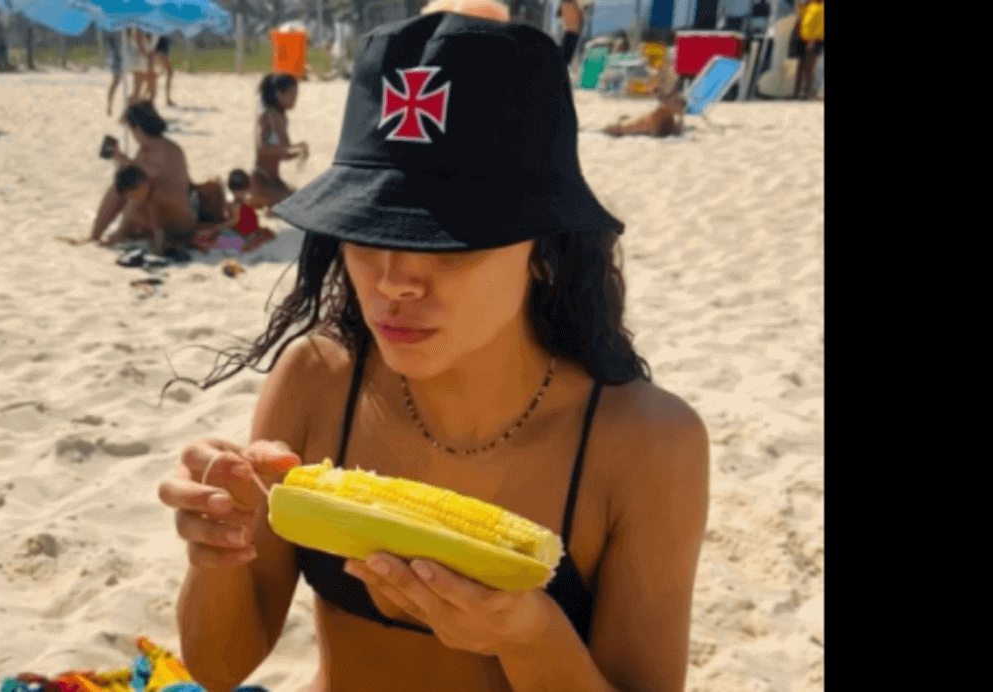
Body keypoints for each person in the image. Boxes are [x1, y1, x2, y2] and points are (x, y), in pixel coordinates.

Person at [156, 10, 709, 692]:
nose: (393, 283)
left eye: (448, 242)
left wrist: (529, 637)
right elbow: (218, 667)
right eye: (366, 233)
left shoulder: (645, 443)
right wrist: (217, 551)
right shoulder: (319, 379)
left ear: (543, 247)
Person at [87, 101, 218, 253]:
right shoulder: (166, 147)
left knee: (129, 190)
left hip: (174, 224)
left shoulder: (160, 151)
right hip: (170, 217)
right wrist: (121, 159)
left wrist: (120, 156)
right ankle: (99, 236)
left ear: (137, 129)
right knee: (129, 188)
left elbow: (140, 178)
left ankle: (99, 235)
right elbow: (139, 173)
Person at [247, 73, 308, 215]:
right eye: (292, 95)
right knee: (290, 204)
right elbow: (263, 149)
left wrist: (298, 151)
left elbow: (282, 154)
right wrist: (293, 149)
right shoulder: (267, 116)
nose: (295, 100)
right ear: (279, 95)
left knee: (300, 198)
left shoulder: (282, 118)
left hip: (274, 180)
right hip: (262, 180)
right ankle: (258, 198)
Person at [194, 169, 277, 254]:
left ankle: (208, 244)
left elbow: (233, 221)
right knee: (224, 240)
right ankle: (207, 245)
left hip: (244, 235)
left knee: (222, 239)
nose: (239, 193)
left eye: (241, 190)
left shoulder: (240, 203)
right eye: (237, 190)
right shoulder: (236, 205)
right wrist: (218, 228)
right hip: (242, 236)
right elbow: (233, 222)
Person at [601, 88, 687, 138]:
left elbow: (673, 130)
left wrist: (680, 118)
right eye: (676, 102)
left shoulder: (667, 114)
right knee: (617, 128)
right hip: (622, 129)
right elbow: (659, 132)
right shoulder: (662, 115)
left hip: (630, 125)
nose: (680, 105)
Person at [792, 0, 824, 100]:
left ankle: (807, 92)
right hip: (802, 39)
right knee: (800, 67)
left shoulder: (820, 7)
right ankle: (797, 92)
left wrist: (813, 40)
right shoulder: (804, 6)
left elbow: (820, 25)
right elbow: (800, 22)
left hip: (816, 40)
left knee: (809, 67)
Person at [151, 33, 177, 107]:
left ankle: (146, 96)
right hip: (160, 50)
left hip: (159, 50)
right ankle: (167, 99)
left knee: (152, 75)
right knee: (169, 72)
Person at [105, 31, 123, 117]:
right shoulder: (116, 29)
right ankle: (109, 105)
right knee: (116, 82)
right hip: (118, 59)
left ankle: (109, 106)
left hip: (123, 57)